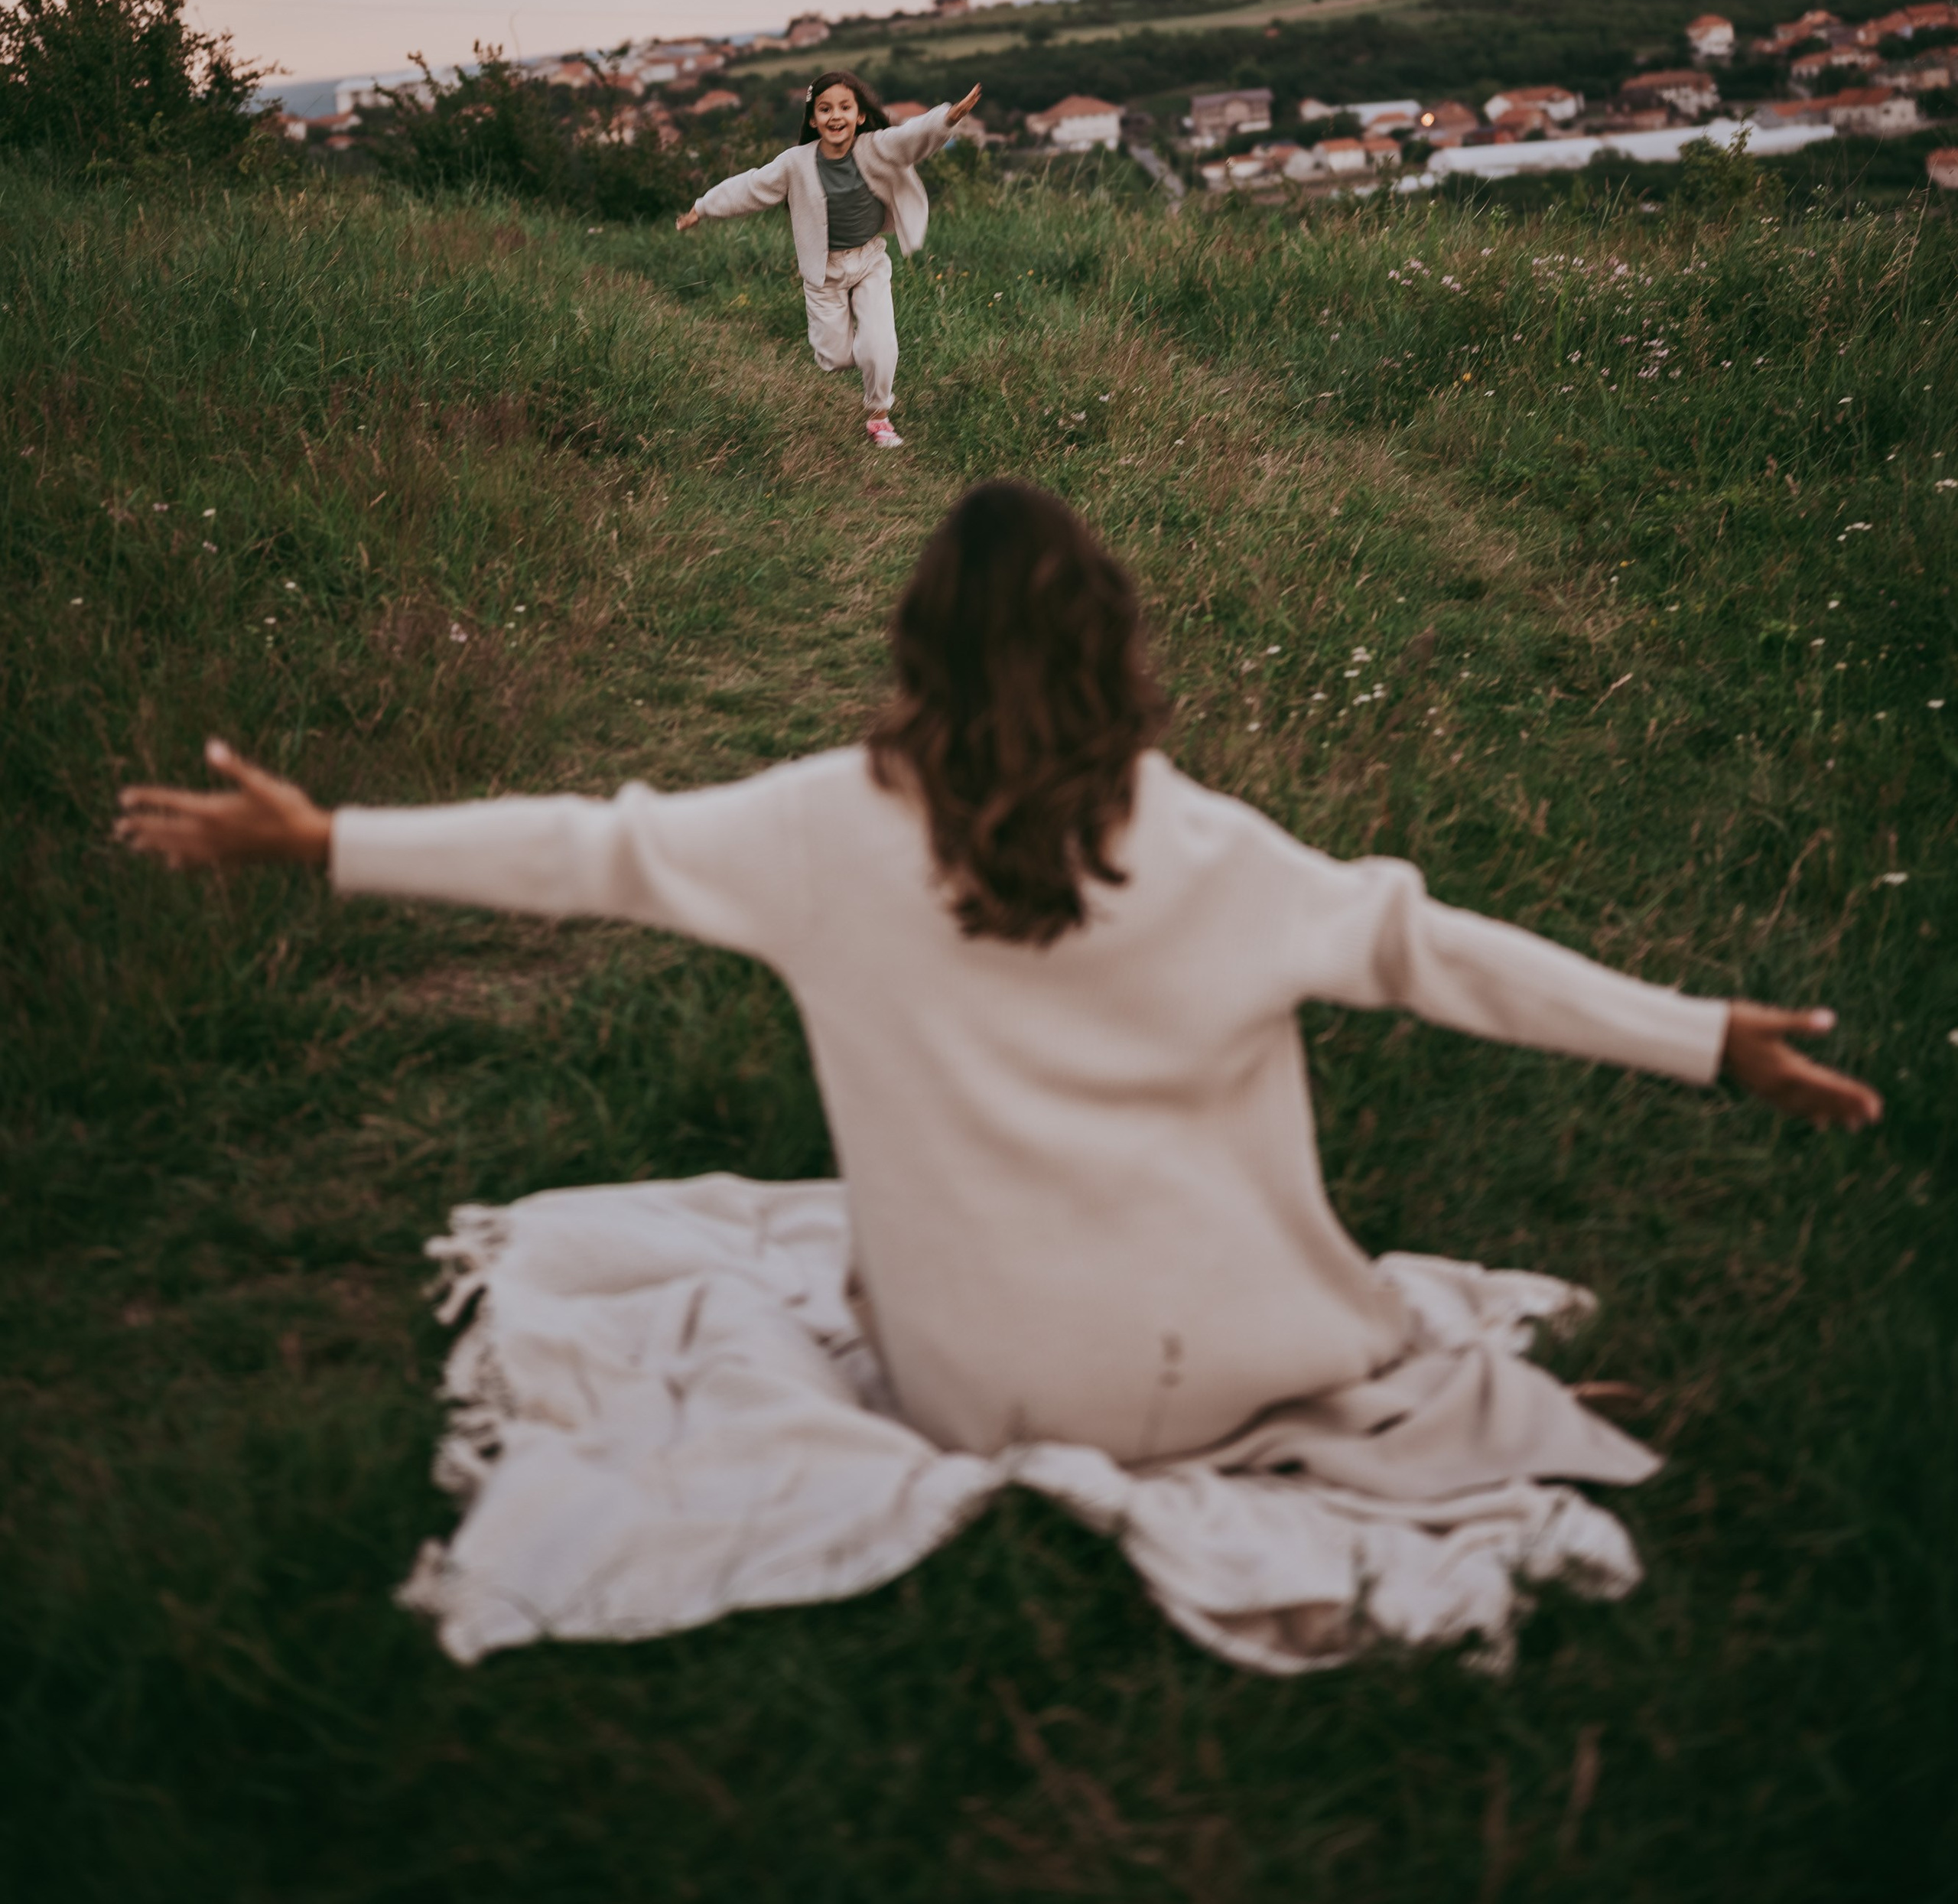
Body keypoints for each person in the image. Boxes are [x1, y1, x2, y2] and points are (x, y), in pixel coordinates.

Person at [115, 480, 1877, 1481]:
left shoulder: (816, 826)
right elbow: (1439, 953)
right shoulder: (1212, 850)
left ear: (908, 652)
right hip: (1235, 1373)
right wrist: (1702, 1037)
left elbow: (588, 848)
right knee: (1353, 1268)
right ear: (1116, 644)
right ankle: (1346, 1372)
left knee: (821, 1249)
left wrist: (324, 835)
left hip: (977, 1394)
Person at [675, 72, 982, 450]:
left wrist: (947, 118)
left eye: (844, 107)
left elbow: (911, 137)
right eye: (825, 109)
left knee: (879, 344)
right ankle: (859, 353)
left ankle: (879, 416)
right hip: (824, 273)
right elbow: (750, 187)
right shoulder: (795, 164)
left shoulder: (876, 147)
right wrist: (702, 208)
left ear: (860, 116)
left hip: (869, 261)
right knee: (834, 358)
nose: (835, 116)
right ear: (812, 120)